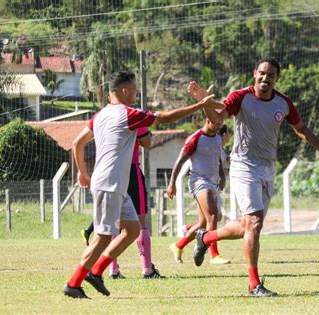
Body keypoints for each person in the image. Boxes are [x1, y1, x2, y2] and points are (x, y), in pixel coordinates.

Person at [187, 57, 319, 297]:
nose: (265, 78)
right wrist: (204, 102)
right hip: (243, 167)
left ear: (276, 79)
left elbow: (301, 129)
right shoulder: (241, 97)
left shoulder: (283, 103)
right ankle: (253, 284)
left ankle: (206, 237)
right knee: (255, 224)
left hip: (267, 169)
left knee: (246, 226)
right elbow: (218, 117)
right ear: (254, 73)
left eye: (270, 75)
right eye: (261, 73)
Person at [63, 70, 217, 299]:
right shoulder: (128, 114)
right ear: (125, 91)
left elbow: (77, 143)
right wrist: (199, 106)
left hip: (113, 184)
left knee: (133, 229)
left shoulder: (101, 115)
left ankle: (96, 272)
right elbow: (165, 117)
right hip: (109, 184)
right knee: (103, 237)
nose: (136, 92)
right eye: (134, 88)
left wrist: (83, 174)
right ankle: (73, 284)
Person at [80, 126, 162, 279]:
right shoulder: (134, 119)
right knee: (140, 221)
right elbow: (147, 142)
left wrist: (82, 171)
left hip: (109, 172)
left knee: (113, 222)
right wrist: (146, 131)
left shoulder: (104, 119)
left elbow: (79, 141)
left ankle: (113, 270)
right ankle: (147, 269)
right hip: (130, 171)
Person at [167, 120, 230, 265]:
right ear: (209, 121)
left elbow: (218, 160)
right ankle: (214, 255)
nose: (219, 127)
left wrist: (222, 176)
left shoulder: (217, 138)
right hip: (199, 181)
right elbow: (180, 161)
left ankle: (178, 246)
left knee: (203, 223)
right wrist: (171, 184)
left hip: (213, 182)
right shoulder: (195, 138)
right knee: (213, 216)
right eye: (217, 124)